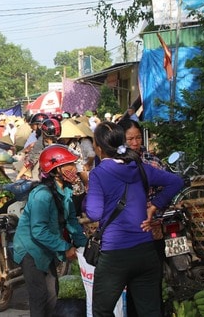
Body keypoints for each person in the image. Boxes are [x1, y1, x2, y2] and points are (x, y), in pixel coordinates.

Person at [85, 121, 183, 317]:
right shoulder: (140, 167)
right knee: (150, 312)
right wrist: (154, 205)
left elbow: (94, 213)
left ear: (98, 147)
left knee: (101, 310)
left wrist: (86, 200)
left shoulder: (98, 173)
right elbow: (176, 181)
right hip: (145, 252)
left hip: (115, 255)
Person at [13, 144, 88, 317]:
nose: (73, 169)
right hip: (30, 249)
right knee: (39, 296)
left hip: (46, 248)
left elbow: (71, 222)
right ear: (55, 170)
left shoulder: (66, 191)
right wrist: (65, 247)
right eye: (68, 165)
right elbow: (39, 231)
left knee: (52, 294)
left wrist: (85, 246)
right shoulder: (42, 195)